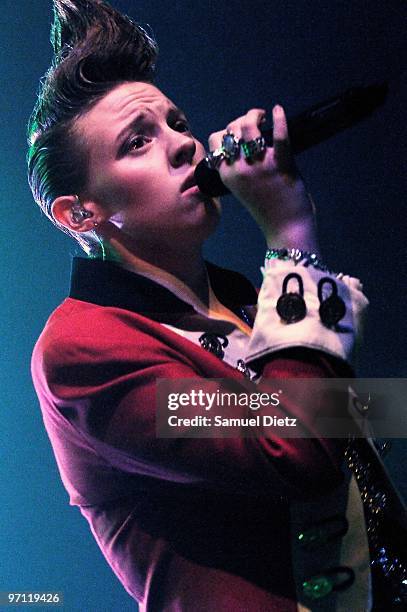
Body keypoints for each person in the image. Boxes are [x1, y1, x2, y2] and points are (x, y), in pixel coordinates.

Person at [28, 1, 406, 610]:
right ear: (81, 213)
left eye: (177, 123)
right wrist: (291, 240)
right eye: (137, 142)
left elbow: (357, 431)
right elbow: (294, 451)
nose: (183, 145)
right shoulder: (83, 350)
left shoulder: (246, 300)